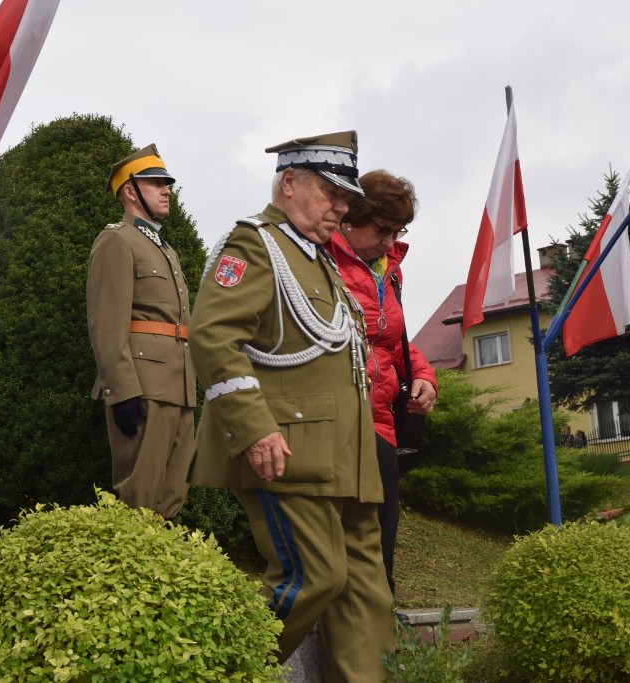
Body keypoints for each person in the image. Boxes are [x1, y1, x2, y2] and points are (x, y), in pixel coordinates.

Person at [188, 131, 395, 681]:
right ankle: (217, 673)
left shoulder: (318, 260)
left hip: (344, 455)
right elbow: (212, 336)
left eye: (346, 198)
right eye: (331, 193)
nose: (342, 207)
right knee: (314, 577)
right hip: (288, 449)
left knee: (364, 591)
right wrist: (254, 428)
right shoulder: (255, 246)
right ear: (289, 183)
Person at [323, 169, 437, 595]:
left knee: (381, 545)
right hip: (337, 418)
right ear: (351, 217)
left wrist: (424, 376)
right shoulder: (319, 258)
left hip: (381, 422)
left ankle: (380, 625)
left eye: (398, 231)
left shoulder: (390, 270)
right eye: (383, 230)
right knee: (341, 549)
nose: (390, 242)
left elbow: (393, 341)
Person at [86, 144, 195, 519]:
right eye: (156, 184)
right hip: (144, 383)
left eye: (167, 184)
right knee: (140, 497)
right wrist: (121, 391)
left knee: (172, 495)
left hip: (178, 384)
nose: (166, 191)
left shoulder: (165, 248)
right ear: (131, 191)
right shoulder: (117, 240)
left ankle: (160, 558)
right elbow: (106, 323)